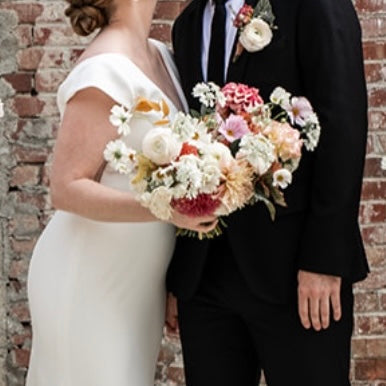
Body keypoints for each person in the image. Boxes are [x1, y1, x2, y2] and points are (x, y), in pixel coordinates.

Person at [167, 0, 369, 385]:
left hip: (297, 273)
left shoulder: (315, 7)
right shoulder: (188, 24)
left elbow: (343, 127)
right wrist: (180, 275)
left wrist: (325, 260)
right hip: (205, 279)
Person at [26, 0, 218, 385]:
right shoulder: (104, 68)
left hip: (137, 284)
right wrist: (167, 209)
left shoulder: (161, 55)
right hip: (89, 278)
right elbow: (66, 188)